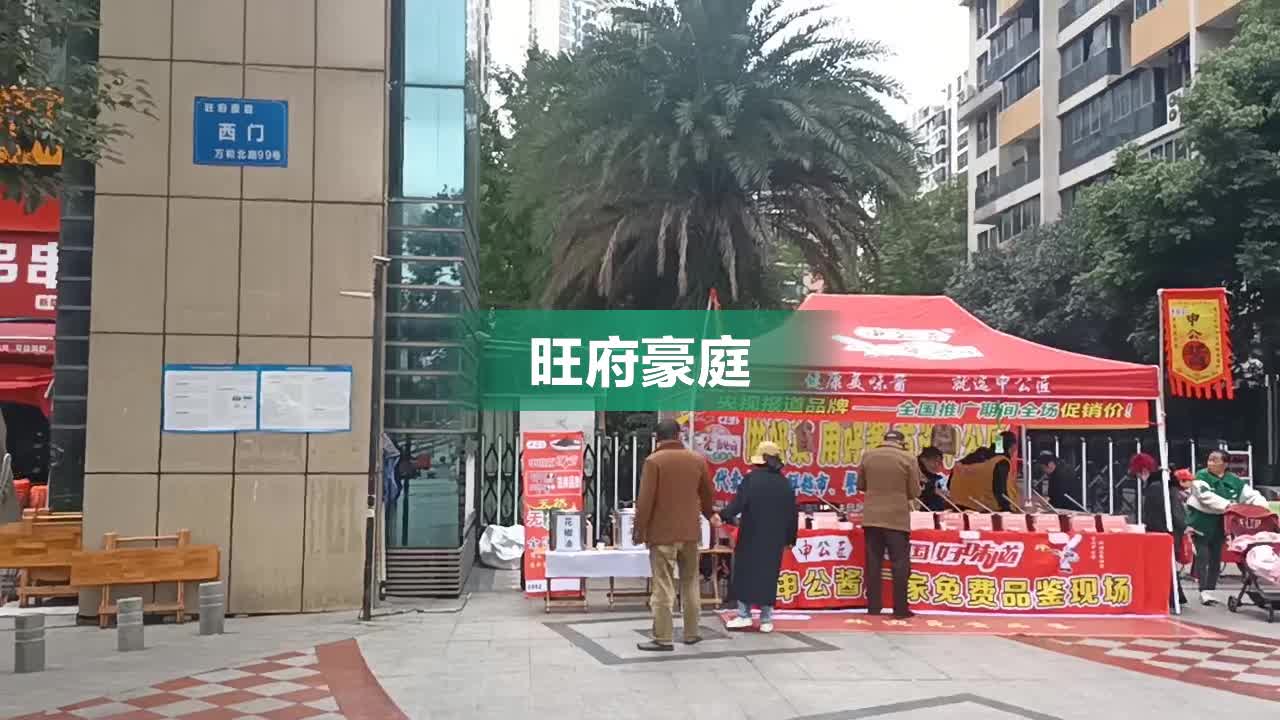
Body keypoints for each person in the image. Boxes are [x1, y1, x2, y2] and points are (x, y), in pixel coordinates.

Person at [633, 419, 716, 651]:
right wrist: (709, 514)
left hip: (662, 535)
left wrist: (639, 530)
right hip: (690, 533)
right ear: (679, 435)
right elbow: (707, 494)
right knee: (690, 583)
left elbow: (645, 501)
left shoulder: (654, 461)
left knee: (663, 585)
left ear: (657, 438)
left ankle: (663, 637)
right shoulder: (697, 460)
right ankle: (692, 632)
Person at [716, 440, 798, 633]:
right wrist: (790, 539)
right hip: (774, 538)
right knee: (768, 575)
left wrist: (722, 516)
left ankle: (744, 615)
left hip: (751, 534)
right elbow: (792, 514)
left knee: (745, 573)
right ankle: (766, 619)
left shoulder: (751, 480)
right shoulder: (784, 483)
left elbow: (737, 505)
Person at [1185, 449, 1270, 606]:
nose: (1210, 463)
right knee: (1203, 557)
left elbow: (1251, 495)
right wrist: (1230, 505)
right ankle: (1203, 590)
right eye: (1209, 460)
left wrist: (1262, 507)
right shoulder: (1201, 476)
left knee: (1216, 558)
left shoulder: (1233, 480)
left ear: (1225, 464)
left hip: (1222, 523)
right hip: (1201, 521)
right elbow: (1205, 497)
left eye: (1214, 460)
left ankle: (1210, 590)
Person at [860, 430, 922, 618]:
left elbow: (861, 485)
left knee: (873, 562)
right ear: (901, 442)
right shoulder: (908, 458)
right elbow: (914, 491)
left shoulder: (867, 456)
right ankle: (900, 609)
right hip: (897, 519)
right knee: (900, 563)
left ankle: (873, 607)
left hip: (871, 517)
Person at [1143, 467, 1191, 609]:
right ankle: (1175, 596)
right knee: (1170, 565)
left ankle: (1171, 595)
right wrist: (1184, 526)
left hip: (1154, 530)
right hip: (1170, 532)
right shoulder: (1170, 491)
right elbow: (1177, 514)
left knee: (1160, 566)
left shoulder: (1152, 488)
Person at [949, 431, 1019, 512]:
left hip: (957, 507)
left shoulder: (966, 461)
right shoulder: (1001, 462)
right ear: (1012, 447)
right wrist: (1008, 511)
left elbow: (949, 484)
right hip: (986, 511)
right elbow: (1000, 491)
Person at [917, 447, 948, 511]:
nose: (937, 465)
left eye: (939, 462)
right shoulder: (914, 474)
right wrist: (933, 490)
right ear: (923, 459)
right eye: (935, 461)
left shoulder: (935, 480)